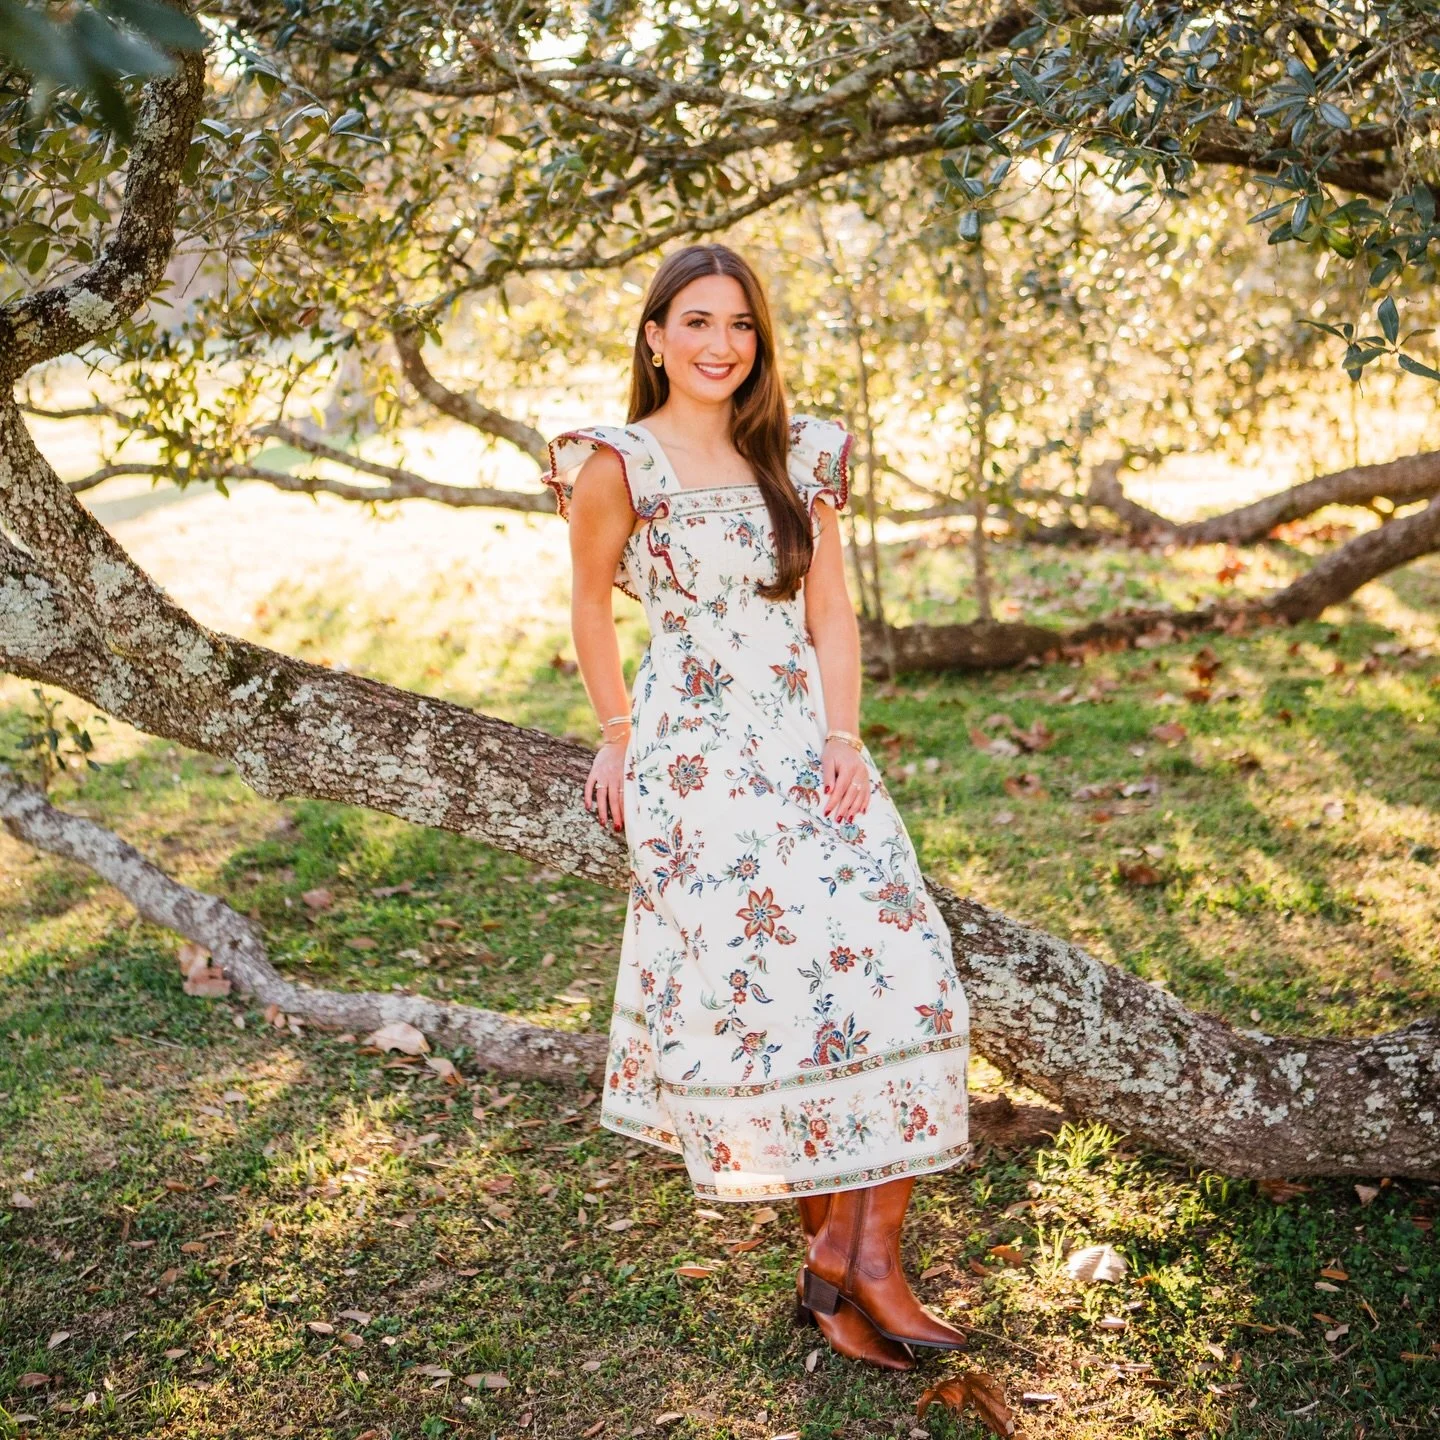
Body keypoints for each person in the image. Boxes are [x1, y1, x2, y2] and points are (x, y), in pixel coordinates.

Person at [543, 242, 971, 1369]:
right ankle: (845, 1273)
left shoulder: (802, 452)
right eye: (695, 322)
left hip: (803, 743)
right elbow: (590, 609)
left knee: (908, 975)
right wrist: (620, 737)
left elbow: (831, 611)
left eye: (738, 324)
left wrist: (843, 736)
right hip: (693, 757)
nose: (720, 344)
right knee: (773, 1001)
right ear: (654, 337)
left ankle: (860, 1259)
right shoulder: (617, 464)